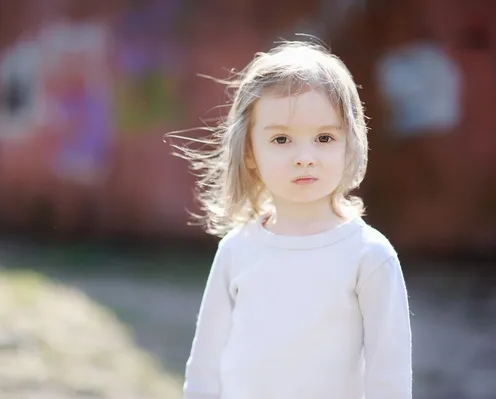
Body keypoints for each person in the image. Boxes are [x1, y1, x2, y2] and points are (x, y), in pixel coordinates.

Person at [169, 40, 412, 399]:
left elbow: (388, 376)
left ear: (350, 145)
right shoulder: (237, 251)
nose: (305, 156)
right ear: (250, 152)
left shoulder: (370, 257)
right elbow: (204, 368)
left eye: (324, 137)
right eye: (282, 139)